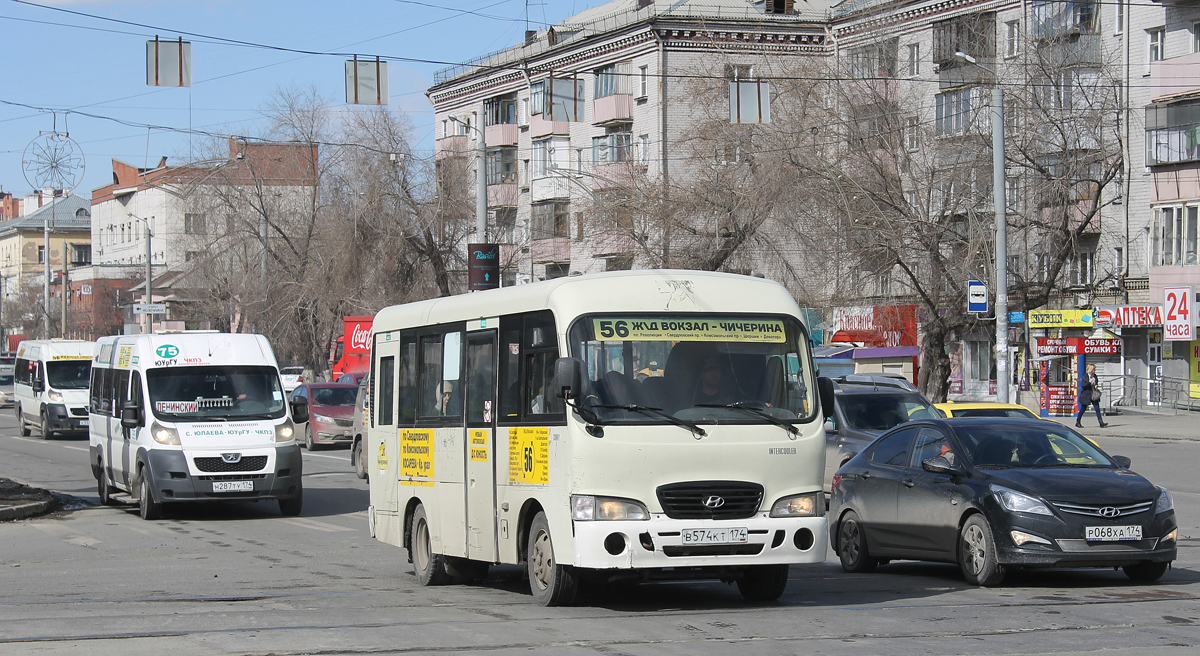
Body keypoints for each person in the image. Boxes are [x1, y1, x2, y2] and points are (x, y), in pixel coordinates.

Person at [1075, 363, 1108, 428]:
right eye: (1093, 369)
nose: (1094, 370)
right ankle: (1078, 421)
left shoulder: (1095, 376)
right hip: (1086, 394)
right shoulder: (1085, 376)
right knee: (1083, 409)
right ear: (1090, 369)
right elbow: (1083, 386)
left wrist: (1096, 385)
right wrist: (1089, 382)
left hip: (1093, 394)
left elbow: (1096, 381)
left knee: (1097, 408)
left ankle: (1101, 422)